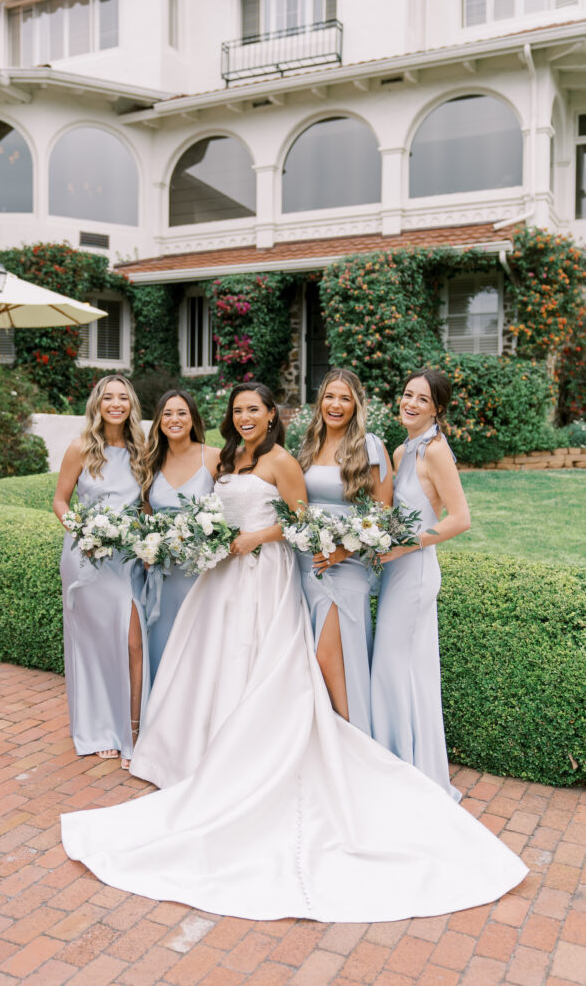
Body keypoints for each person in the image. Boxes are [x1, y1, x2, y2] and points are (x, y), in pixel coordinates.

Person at [61, 380, 526, 923]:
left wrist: (262, 539)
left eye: (254, 409)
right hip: (233, 577)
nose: (244, 417)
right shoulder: (229, 456)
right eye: (237, 410)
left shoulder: (289, 459)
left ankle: (358, 755)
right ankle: (207, 749)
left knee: (304, 663)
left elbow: (300, 519)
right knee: (219, 662)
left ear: (270, 414)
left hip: (284, 570)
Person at [371, 369, 471, 801]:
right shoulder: (401, 450)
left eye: (421, 399)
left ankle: (409, 771)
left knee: (395, 668)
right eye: (407, 394)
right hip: (396, 570)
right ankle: (399, 762)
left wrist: (405, 546)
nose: (410, 403)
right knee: (400, 668)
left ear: (437, 409)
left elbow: (460, 519)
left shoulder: (435, 451)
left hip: (415, 572)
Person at [53, 374, 149, 770]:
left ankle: (133, 727)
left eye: (122, 398)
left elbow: (146, 505)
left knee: (131, 643)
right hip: (87, 559)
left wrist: (148, 542)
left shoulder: (142, 449)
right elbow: (60, 501)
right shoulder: (80, 448)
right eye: (108, 397)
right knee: (92, 645)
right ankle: (98, 731)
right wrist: (83, 533)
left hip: (127, 559)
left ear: (131, 405)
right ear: (97, 403)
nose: (115, 403)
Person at [297, 369, 392, 732]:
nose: (335, 405)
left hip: (347, 565)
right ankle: (328, 740)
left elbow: (383, 514)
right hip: (307, 563)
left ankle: (355, 743)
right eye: (330, 397)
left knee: (331, 656)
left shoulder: (370, 445)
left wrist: (342, 550)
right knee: (313, 658)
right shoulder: (308, 444)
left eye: (345, 398)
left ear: (357, 405)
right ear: (320, 401)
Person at [141, 390, 219, 684]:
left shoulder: (213, 457)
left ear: (193, 418)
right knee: (163, 640)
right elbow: (146, 512)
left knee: (200, 647)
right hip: (164, 573)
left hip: (201, 573)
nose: (175, 419)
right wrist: (148, 550)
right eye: (167, 413)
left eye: (182, 413)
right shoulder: (150, 461)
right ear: (159, 420)